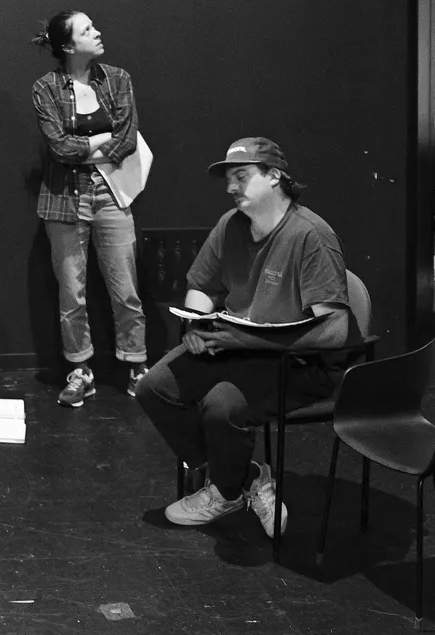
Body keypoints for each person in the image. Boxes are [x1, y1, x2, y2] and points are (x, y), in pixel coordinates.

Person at [133, 137, 348, 540]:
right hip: (235, 346)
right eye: (228, 179)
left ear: (275, 176)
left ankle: (226, 489)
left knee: (222, 406)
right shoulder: (230, 225)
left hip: (297, 362)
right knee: (153, 388)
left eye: (242, 176)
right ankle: (239, 479)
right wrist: (197, 327)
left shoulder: (310, 236)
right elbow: (201, 285)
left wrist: (246, 342)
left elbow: (335, 330)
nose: (231, 187)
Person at [31, 9, 148, 405]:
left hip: (111, 193)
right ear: (68, 46)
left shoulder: (117, 78)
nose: (97, 32)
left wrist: (85, 146)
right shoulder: (45, 88)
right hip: (64, 199)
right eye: (87, 30)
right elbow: (60, 149)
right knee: (71, 294)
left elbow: (127, 140)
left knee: (126, 289)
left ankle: (136, 367)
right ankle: (81, 371)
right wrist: (101, 139)